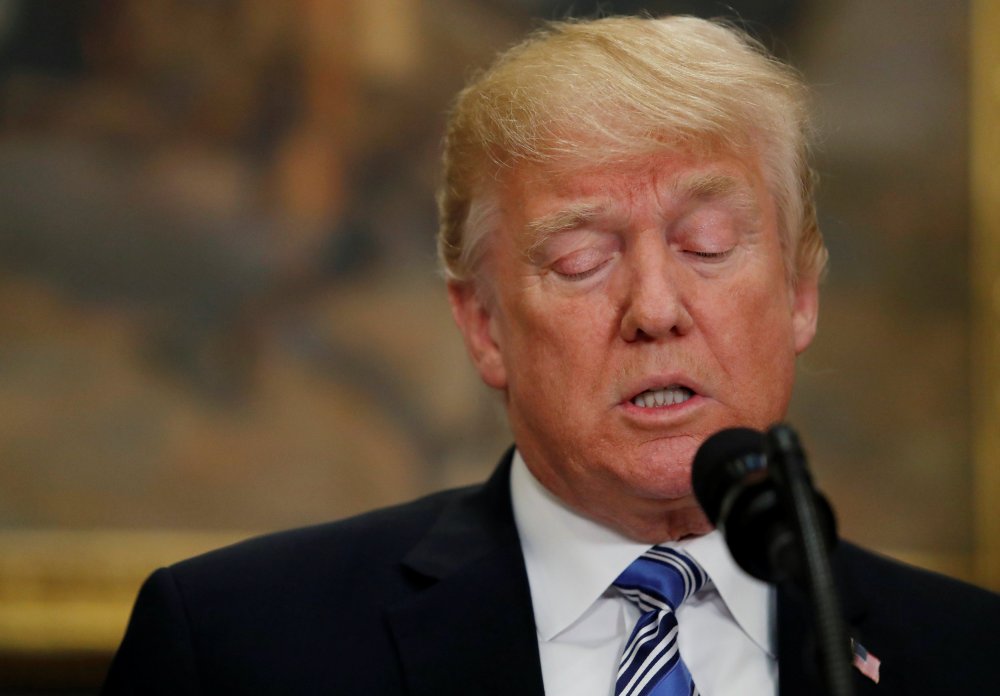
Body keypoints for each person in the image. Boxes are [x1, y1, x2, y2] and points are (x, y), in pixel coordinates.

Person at [101, 15, 999, 695]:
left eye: (709, 244)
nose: (654, 309)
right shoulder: (237, 646)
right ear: (484, 324)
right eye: (581, 260)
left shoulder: (966, 656)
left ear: (800, 293)